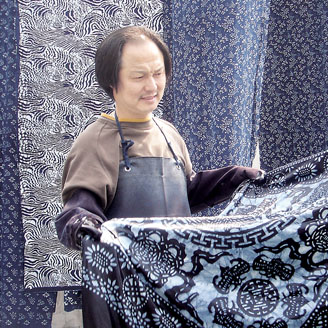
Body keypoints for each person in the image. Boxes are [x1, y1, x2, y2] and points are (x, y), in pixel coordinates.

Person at [56, 26, 262, 249]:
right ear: (111, 81)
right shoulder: (95, 142)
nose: (152, 86)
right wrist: (84, 225)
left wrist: (236, 177)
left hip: (181, 266)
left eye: (158, 73)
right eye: (139, 76)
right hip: (128, 268)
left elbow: (185, 194)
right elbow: (78, 211)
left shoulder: (168, 133)